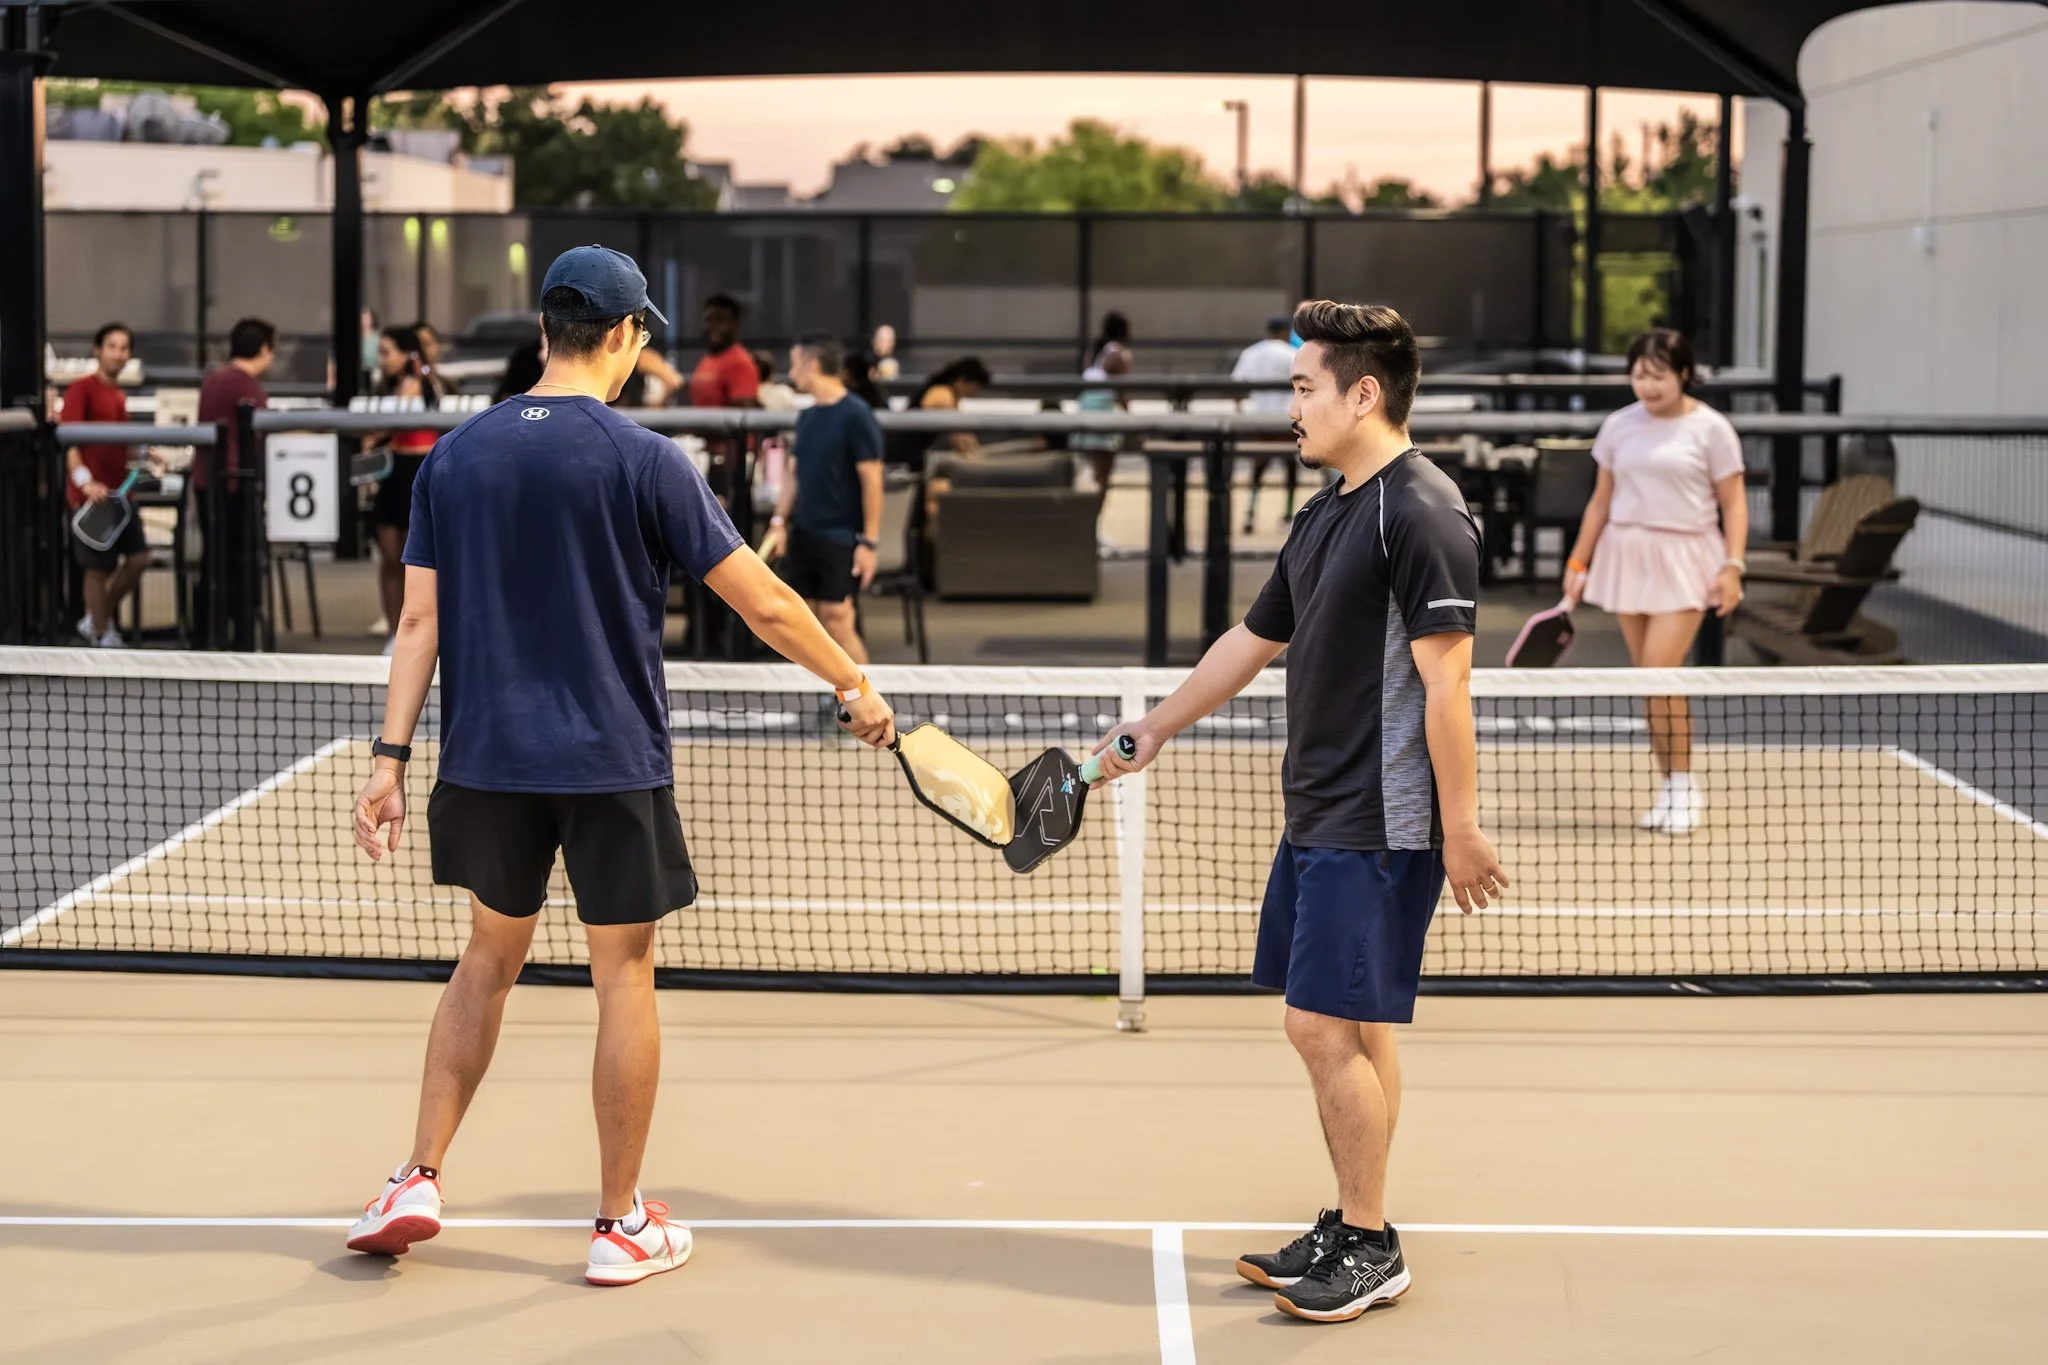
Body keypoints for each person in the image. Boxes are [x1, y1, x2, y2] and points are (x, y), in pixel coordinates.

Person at [346, 245, 896, 1286]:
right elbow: (764, 601)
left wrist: (388, 760)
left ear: (547, 328)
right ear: (624, 336)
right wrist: (850, 683)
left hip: (484, 760)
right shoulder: (646, 460)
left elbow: (415, 621)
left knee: (486, 962)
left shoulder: (454, 459)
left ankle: (415, 1175)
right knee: (623, 973)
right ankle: (616, 1227)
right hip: (607, 760)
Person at [1090, 300, 1508, 1326]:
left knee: (1316, 1024)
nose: (1290, 406)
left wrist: (1457, 826)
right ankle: (1353, 1218)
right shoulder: (1327, 510)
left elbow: (1447, 689)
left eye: (1301, 386)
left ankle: (1367, 1243)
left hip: (1378, 818)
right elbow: (1250, 638)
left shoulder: (1419, 512)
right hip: (1319, 808)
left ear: (1361, 393)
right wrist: (1151, 731)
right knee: (1352, 1026)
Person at [1561, 328, 1747, 836]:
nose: (1647, 385)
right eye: (1639, 374)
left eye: (1658, 375)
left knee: (1662, 674)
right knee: (1647, 684)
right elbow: (1600, 502)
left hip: (1687, 556)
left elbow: (1733, 504)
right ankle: (1669, 786)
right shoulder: (1619, 426)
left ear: (1683, 374)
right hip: (1626, 553)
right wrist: (1577, 564)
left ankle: (1685, 785)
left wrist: (1733, 566)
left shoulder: (1712, 430)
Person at [760, 333, 885, 665]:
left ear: (811, 364)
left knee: (838, 620)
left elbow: (872, 480)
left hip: (840, 537)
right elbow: (794, 474)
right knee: (808, 623)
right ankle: (828, 702)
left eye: (795, 362)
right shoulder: (809, 417)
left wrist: (868, 543)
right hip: (806, 534)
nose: (791, 372)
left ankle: (868, 706)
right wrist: (779, 522)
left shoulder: (857, 415)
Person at [61, 323, 149, 647]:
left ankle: (96, 618)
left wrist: (146, 451)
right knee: (97, 569)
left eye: (125, 347)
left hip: (121, 496)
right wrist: (84, 483)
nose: (119, 353)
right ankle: (100, 633)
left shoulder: (117, 396)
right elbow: (69, 442)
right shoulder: (81, 389)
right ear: (98, 350)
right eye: (112, 346)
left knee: (140, 558)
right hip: (93, 499)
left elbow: (123, 443)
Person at [195, 317, 276, 649]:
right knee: (238, 562)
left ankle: (208, 634)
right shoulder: (245, 386)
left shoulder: (214, 379)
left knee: (213, 560)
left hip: (206, 483)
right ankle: (238, 637)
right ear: (264, 349)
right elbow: (260, 429)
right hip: (233, 488)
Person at [369, 325, 444, 655]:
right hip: (393, 471)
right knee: (388, 558)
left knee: (413, 560)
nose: (383, 360)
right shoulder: (390, 385)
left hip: (416, 469)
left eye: (387, 352)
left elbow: (386, 426)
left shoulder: (419, 384)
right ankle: (393, 631)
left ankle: (414, 628)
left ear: (407, 354)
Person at [904, 356, 992, 521]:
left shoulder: (946, 394)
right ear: (963, 381)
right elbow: (960, 437)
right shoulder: (941, 395)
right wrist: (982, 463)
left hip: (915, 456)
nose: (976, 394)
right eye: (976, 388)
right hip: (906, 457)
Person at [1234, 315, 1301, 532]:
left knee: (1258, 467)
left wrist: (1241, 410)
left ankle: (1250, 514)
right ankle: (1288, 515)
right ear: (1284, 332)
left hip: (1259, 418)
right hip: (1285, 418)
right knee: (1290, 466)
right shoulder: (1291, 354)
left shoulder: (1250, 353)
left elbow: (1236, 385)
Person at [687, 294, 759, 409]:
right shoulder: (708, 358)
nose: (714, 326)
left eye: (721, 320)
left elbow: (743, 418)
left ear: (735, 325)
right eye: (709, 320)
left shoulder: (740, 362)